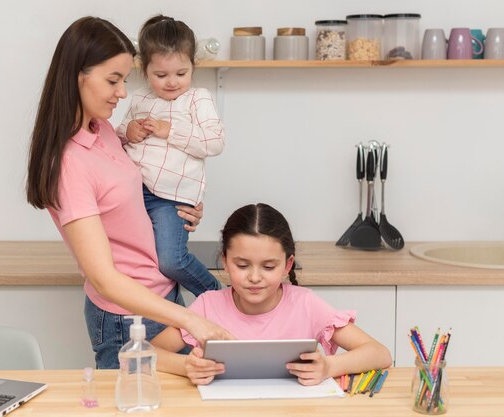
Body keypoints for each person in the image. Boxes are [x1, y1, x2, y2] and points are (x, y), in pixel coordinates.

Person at [26, 16, 232, 369]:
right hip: (128, 318)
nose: (123, 92)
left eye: (123, 79)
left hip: (161, 295)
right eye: (112, 80)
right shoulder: (69, 165)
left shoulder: (103, 130)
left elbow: (134, 198)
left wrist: (179, 208)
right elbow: (105, 280)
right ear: (78, 75)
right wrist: (191, 319)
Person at [151, 203, 393, 385]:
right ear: (224, 262)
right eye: (242, 265)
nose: (255, 277)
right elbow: (146, 353)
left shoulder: (305, 304)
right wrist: (187, 366)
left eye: (268, 267)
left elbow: (380, 354)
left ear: (287, 266)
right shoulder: (207, 306)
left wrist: (328, 366)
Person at [116, 15, 224, 297]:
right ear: (144, 69)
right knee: (146, 264)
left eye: (181, 73)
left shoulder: (197, 99)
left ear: (192, 66)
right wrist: (129, 130)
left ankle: (217, 295)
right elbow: (116, 139)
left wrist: (170, 130)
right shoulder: (139, 99)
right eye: (160, 75)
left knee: (171, 260)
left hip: (172, 198)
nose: (172, 82)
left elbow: (214, 141)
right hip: (136, 194)